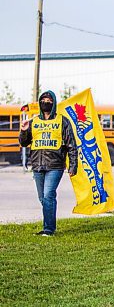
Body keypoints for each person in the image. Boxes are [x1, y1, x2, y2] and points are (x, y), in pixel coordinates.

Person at [19, 91, 78, 236]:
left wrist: (73, 165)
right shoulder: (33, 122)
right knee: (43, 198)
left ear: (54, 103)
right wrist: (24, 130)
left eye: (49, 100)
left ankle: (48, 229)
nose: (46, 102)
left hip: (55, 165)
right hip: (37, 165)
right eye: (43, 99)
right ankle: (49, 226)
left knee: (48, 195)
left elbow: (71, 144)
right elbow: (24, 142)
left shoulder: (62, 121)